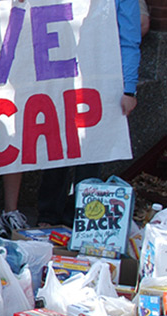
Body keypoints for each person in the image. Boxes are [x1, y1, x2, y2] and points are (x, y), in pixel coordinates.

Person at [37, 0, 141, 227]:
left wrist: (128, 89)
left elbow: (129, 41)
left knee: (91, 154)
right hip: (61, 77)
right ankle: (48, 214)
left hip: (102, 82)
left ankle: (78, 217)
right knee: (58, 146)